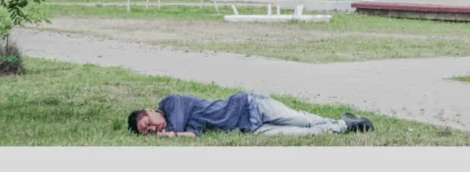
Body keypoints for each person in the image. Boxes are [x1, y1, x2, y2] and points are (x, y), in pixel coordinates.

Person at [127, 92, 373, 138]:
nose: (152, 129)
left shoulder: (171, 103)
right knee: (304, 132)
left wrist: (169, 135)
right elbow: (192, 134)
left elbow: (178, 126)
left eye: (147, 123)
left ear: (150, 111)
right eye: (146, 132)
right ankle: (345, 124)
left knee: (303, 119)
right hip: (249, 128)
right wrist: (176, 137)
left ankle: (343, 120)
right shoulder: (180, 126)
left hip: (251, 106)